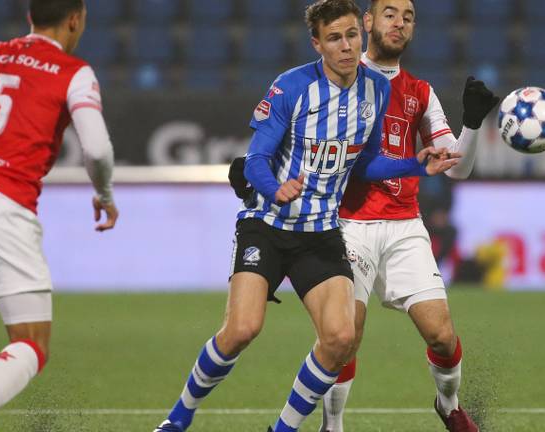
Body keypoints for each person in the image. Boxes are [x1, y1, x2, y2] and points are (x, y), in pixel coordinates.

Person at [153, 1, 459, 431]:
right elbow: (255, 158)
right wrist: (274, 189)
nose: (347, 46)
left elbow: (365, 163)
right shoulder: (291, 87)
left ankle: (284, 428)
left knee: (340, 339)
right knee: (242, 329)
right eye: (334, 38)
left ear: (362, 34)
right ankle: (178, 418)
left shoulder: (376, 89)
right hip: (268, 225)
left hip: (321, 232)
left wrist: (414, 164)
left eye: (352, 35)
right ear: (317, 44)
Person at [319, 1, 499, 431]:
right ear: (368, 22)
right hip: (348, 225)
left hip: (403, 224)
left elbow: (458, 167)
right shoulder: (340, 76)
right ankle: (333, 425)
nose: (398, 22)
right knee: (345, 337)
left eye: (408, 16)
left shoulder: (420, 91)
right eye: (389, 13)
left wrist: (471, 125)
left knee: (441, 334)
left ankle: (449, 405)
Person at [0, 0, 118, 423]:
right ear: (76, 20)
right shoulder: (73, 73)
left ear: (30, 17)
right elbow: (96, 148)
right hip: (4, 207)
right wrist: (105, 193)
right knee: (31, 343)